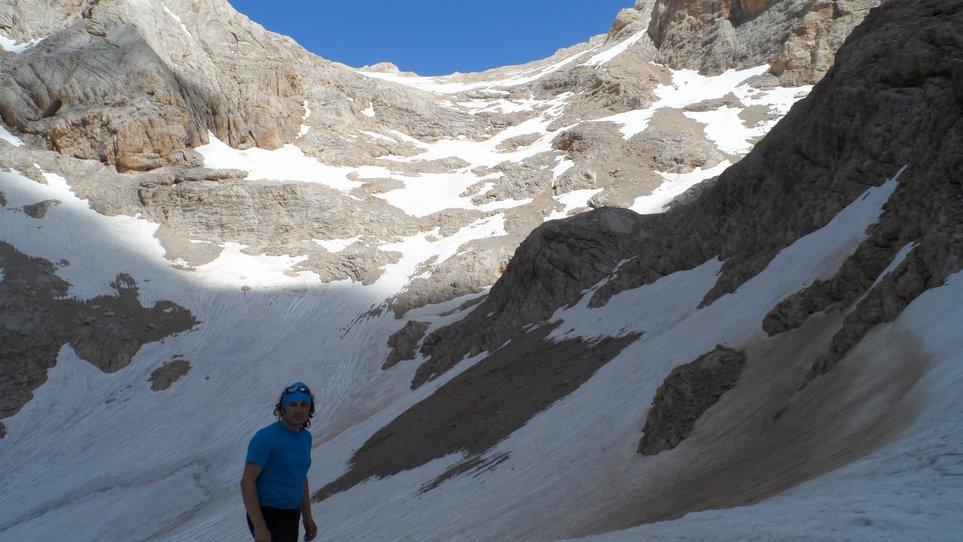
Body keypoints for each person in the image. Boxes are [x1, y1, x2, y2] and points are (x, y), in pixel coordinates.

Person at [241, 382, 319, 542]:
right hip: (267, 512)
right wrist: (259, 527)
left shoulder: (305, 438)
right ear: (283, 408)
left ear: (309, 408)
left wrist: (307, 517)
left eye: (304, 405)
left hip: (291, 512)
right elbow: (247, 482)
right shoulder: (266, 437)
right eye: (293, 405)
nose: (298, 410)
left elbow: (300, 477)